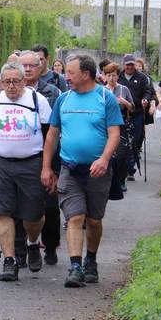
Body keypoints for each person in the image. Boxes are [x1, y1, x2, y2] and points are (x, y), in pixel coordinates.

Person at [41, 55, 123, 288]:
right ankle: (75, 266)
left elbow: (114, 133)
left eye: (71, 72)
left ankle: (91, 260)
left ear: (85, 74)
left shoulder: (105, 98)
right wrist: (47, 167)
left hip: (98, 171)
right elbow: (52, 135)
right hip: (70, 169)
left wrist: (104, 159)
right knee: (75, 217)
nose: (66, 76)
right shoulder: (63, 100)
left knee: (94, 220)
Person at [0, 62, 53, 282]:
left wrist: (50, 168)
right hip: (0, 163)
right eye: (6, 82)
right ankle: (10, 260)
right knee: (2, 211)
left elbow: (50, 137)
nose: (11, 86)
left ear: (24, 81)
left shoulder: (39, 100)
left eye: (15, 81)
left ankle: (33, 242)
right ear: (0, 83)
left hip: (32, 163)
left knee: (33, 214)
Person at [20, 50, 61, 265]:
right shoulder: (10, 90)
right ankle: (22, 247)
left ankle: (51, 245)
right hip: (19, 155)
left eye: (31, 66)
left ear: (40, 67)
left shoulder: (52, 92)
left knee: (50, 206)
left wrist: (53, 166)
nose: (27, 70)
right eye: (23, 66)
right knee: (19, 206)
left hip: (45, 153)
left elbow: (55, 130)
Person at [118, 54, 152, 181]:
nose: (130, 67)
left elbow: (148, 91)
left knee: (136, 139)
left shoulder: (142, 77)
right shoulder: (118, 76)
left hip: (137, 112)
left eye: (132, 64)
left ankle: (131, 164)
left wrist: (145, 99)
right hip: (121, 113)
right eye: (128, 64)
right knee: (123, 141)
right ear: (124, 65)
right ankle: (129, 169)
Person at [103, 63, 134, 192]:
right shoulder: (101, 90)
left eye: (114, 75)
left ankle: (121, 179)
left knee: (121, 154)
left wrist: (124, 102)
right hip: (104, 124)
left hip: (121, 123)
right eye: (109, 75)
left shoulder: (124, 89)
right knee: (107, 153)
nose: (111, 78)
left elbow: (132, 108)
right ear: (104, 76)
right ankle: (107, 180)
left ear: (118, 76)